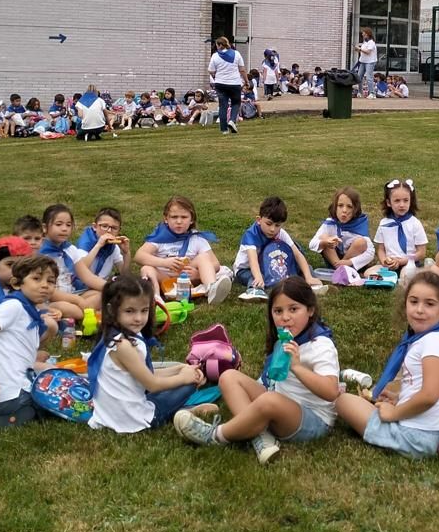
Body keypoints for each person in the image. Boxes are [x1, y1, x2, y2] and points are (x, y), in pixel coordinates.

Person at [174, 278, 339, 462]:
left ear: (310, 310)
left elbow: (331, 391)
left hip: (312, 420)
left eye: (293, 309)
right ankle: (260, 437)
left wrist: (297, 367)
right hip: (279, 401)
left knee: (270, 400)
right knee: (228, 377)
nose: (285, 317)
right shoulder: (284, 339)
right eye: (278, 311)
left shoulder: (320, 345)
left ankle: (215, 435)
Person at [336, 272, 439, 458]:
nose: (419, 309)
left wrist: (394, 413)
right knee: (360, 403)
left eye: (429, 304)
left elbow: (430, 395)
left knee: (343, 401)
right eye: (414, 301)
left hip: (420, 437)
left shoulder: (434, 343)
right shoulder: (429, 338)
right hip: (436, 428)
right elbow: (424, 386)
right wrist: (398, 396)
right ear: (405, 304)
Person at [87, 275, 206, 433]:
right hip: (134, 420)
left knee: (181, 371)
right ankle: (187, 412)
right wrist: (185, 377)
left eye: (144, 311)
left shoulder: (113, 335)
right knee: (190, 383)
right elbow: (152, 384)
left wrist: (180, 369)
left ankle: (184, 406)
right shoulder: (123, 346)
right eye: (130, 311)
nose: (138, 318)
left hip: (116, 413)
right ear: (111, 310)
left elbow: (144, 373)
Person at [0, 254, 59, 427]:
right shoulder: (13, 306)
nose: (45, 285)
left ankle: (4, 412)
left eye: (51, 281)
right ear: (16, 283)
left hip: (18, 386)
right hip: (11, 394)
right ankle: (8, 418)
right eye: (36, 279)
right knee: (56, 402)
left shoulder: (29, 309)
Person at [133, 195, 233, 304]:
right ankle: (155, 297)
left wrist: (198, 274)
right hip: (164, 278)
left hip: (188, 278)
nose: (179, 221)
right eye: (174, 217)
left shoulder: (196, 238)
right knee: (146, 269)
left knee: (203, 257)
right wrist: (165, 262)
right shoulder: (159, 237)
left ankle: (211, 289)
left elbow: (215, 263)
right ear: (166, 219)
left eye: (184, 217)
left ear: (191, 220)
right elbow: (139, 256)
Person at [233, 196, 321, 301]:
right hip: (246, 269)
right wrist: (258, 276)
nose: (272, 229)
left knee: (306, 267)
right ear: (259, 220)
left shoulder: (281, 233)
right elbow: (253, 261)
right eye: (269, 224)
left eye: (277, 225)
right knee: (255, 277)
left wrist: (308, 275)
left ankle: (311, 283)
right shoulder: (251, 235)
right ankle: (255, 290)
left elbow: (297, 254)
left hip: (269, 264)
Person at [39, 203, 95, 320]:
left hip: (71, 293)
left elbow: (87, 277)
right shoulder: (40, 254)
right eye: (58, 224)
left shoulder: (70, 249)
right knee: (69, 309)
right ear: (44, 227)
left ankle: (80, 313)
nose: (64, 228)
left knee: (100, 295)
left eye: (68, 225)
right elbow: (48, 291)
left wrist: (110, 287)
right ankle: (84, 313)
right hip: (50, 299)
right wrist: (77, 300)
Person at [309, 187, 375, 278]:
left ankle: (342, 270)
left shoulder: (359, 226)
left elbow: (371, 252)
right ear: (335, 207)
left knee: (361, 242)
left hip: (352, 263)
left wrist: (349, 262)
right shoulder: (330, 223)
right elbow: (311, 244)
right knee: (324, 237)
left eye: (349, 206)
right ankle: (340, 270)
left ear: (355, 209)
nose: (344, 210)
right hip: (334, 260)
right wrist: (326, 242)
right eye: (340, 206)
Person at [370, 178, 428, 275]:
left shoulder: (415, 223)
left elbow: (421, 252)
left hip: (409, 263)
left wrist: (402, 261)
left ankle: (398, 278)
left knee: (406, 274)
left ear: (411, 201)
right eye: (397, 201)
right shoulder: (384, 223)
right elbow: (380, 249)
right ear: (389, 203)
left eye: (406, 200)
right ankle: (392, 276)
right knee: (369, 273)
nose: (402, 205)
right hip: (390, 264)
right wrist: (385, 261)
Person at [73, 207, 133, 295]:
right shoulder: (85, 244)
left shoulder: (113, 247)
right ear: (94, 227)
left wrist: (126, 253)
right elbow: (81, 269)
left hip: (100, 287)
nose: (109, 231)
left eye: (114, 228)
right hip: (79, 289)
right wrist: (98, 245)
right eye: (104, 226)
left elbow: (125, 275)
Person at [208, 36, 249, 134]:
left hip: (220, 83)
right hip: (234, 83)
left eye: (217, 45)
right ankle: (232, 120)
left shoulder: (215, 56)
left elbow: (211, 70)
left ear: (220, 45)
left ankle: (224, 130)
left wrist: (215, 76)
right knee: (236, 103)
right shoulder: (237, 54)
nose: (216, 47)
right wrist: (246, 81)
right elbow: (242, 70)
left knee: (223, 106)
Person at [355, 27, 377, 98]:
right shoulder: (365, 42)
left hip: (370, 62)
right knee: (359, 77)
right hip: (363, 61)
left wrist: (360, 49)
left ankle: (372, 93)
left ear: (367, 34)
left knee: (369, 77)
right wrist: (358, 50)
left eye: (363, 32)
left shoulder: (371, 42)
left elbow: (368, 52)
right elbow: (363, 51)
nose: (362, 34)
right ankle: (360, 92)